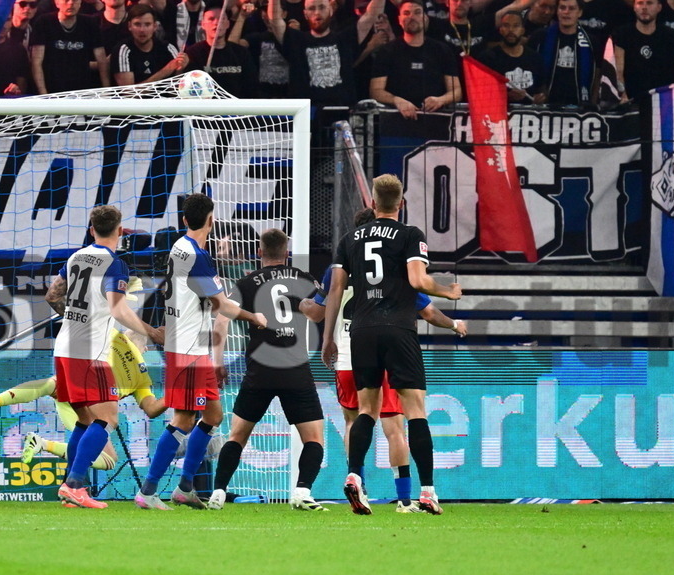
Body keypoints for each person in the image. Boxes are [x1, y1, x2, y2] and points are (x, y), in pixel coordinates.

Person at [301, 208, 468, 512]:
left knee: (356, 419)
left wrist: (309, 310)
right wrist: (455, 321)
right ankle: (408, 497)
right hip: (394, 338)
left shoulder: (342, 260)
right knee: (397, 423)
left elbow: (319, 308)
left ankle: (357, 482)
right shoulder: (397, 260)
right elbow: (427, 309)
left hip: (350, 349)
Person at [135, 193, 267, 510]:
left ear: (184, 220)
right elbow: (221, 305)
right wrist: (254, 316)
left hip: (189, 345)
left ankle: (184, 488)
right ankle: (148, 491)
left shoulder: (179, 248)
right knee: (183, 418)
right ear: (211, 220)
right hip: (189, 349)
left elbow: (195, 298)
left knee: (213, 415)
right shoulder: (198, 257)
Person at [43, 205, 164, 509]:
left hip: (64, 346)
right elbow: (119, 309)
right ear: (120, 231)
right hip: (89, 352)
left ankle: (72, 488)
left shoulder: (75, 258)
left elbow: (52, 296)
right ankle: (73, 485)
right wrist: (151, 331)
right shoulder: (115, 263)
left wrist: (74, 317)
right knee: (107, 417)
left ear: (91, 228)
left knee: (84, 420)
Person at [206, 229, 329, 511]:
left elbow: (222, 321)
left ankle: (219, 492)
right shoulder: (304, 278)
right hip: (294, 369)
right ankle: (302, 492)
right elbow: (318, 314)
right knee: (313, 438)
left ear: (259, 252)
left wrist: (217, 362)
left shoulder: (246, 281)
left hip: (259, 371)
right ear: (286, 252)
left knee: (237, 435)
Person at [0, 327, 167, 473]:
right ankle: (69, 478)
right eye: (145, 346)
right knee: (108, 460)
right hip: (90, 406)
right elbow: (151, 409)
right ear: (144, 347)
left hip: (81, 403)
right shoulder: (142, 375)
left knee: (51, 385)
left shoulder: (111, 333)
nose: (144, 350)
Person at [266, 0, 384, 107]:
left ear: (331, 10)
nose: (317, 12)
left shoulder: (345, 39)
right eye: (312, 8)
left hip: (341, 112)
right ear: (305, 13)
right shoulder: (296, 40)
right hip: (306, 115)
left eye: (322, 7)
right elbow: (274, 19)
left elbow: (371, 15)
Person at [369, 0, 463, 120]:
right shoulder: (387, 51)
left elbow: (456, 91)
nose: (411, 17)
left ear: (425, 18)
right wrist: (396, 100)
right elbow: (376, 91)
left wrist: (440, 100)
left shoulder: (442, 50)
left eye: (417, 12)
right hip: (396, 122)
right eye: (406, 13)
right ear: (399, 20)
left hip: (436, 120)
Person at [528, 0, 601, 107]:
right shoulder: (539, 37)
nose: (566, 12)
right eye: (562, 8)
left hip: (581, 106)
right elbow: (528, 68)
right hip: (545, 105)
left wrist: (593, 103)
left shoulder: (591, 41)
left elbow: (597, 75)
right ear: (557, 11)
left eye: (571, 8)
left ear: (580, 12)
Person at [30, 0, 110, 94]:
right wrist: (43, 93)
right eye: (66, 0)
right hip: (53, 89)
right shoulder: (44, 22)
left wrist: (106, 91)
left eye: (75, 0)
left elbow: (102, 61)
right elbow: (36, 62)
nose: (71, 3)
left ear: (80, 3)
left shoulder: (90, 23)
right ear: (57, 3)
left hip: (82, 90)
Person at [185, 4, 261, 98]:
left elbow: (251, 86)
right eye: (211, 19)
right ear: (203, 25)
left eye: (222, 18)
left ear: (228, 24)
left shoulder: (241, 53)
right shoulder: (193, 53)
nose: (217, 22)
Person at [477, 11, 546, 105]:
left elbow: (541, 89)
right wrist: (507, 96)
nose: (511, 30)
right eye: (506, 25)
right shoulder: (487, 58)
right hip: (499, 114)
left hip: (530, 115)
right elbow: (481, 93)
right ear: (500, 30)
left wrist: (540, 98)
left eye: (516, 26)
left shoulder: (535, 58)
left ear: (522, 30)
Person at [113, 4, 188, 85]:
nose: (142, 30)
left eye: (147, 24)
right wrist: (165, 71)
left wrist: (181, 68)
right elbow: (128, 93)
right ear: (129, 26)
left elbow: (177, 87)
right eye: (137, 24)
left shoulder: (168, 48)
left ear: (155, 26)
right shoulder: (123, 50)